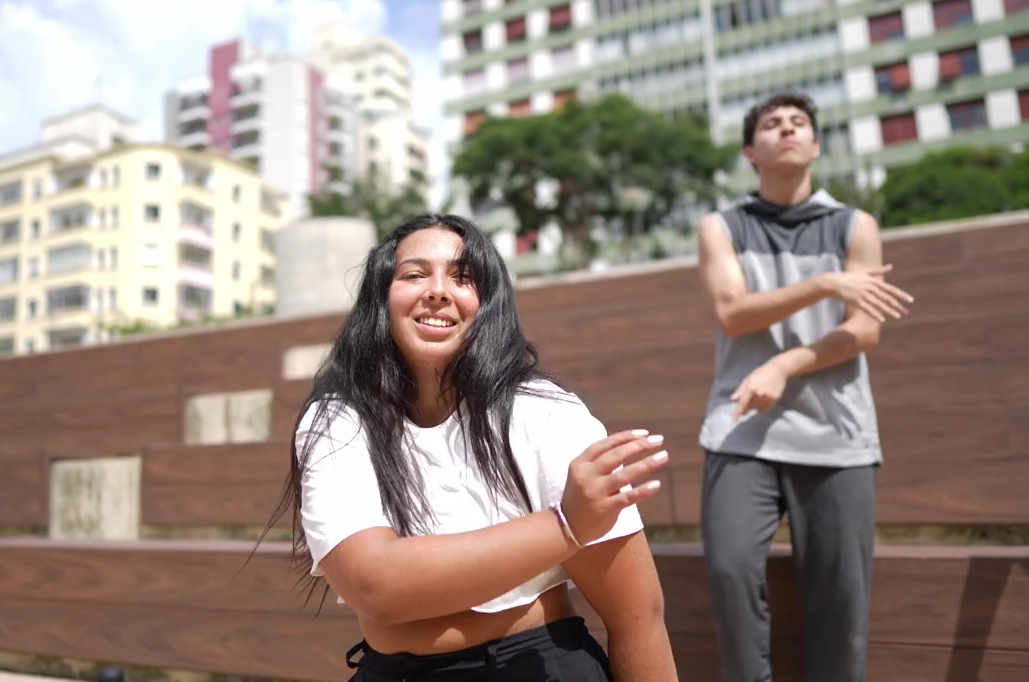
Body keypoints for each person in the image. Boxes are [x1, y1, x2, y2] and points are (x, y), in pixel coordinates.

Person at [271, 214, 678, 681]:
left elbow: (638, 618)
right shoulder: (338, 420)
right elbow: (374, 583)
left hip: (536, 666)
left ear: (488, 303)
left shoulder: (544, 412)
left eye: (463, 278)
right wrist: (566, 525)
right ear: (380, 298)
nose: (438, 290)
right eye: (414, 274)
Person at [694, 91, 915, 681]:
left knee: (840, 606)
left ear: (816, 145)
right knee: (730, 572)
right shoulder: (721, 227)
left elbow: (863, 330)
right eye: (772, 124)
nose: (787, 130)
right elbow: (733, 313)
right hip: (742, 432)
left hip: (836, 436)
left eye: (799, 123)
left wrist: (785, 365)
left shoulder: (855, 226)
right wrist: (825, 285)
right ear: (751, 151)